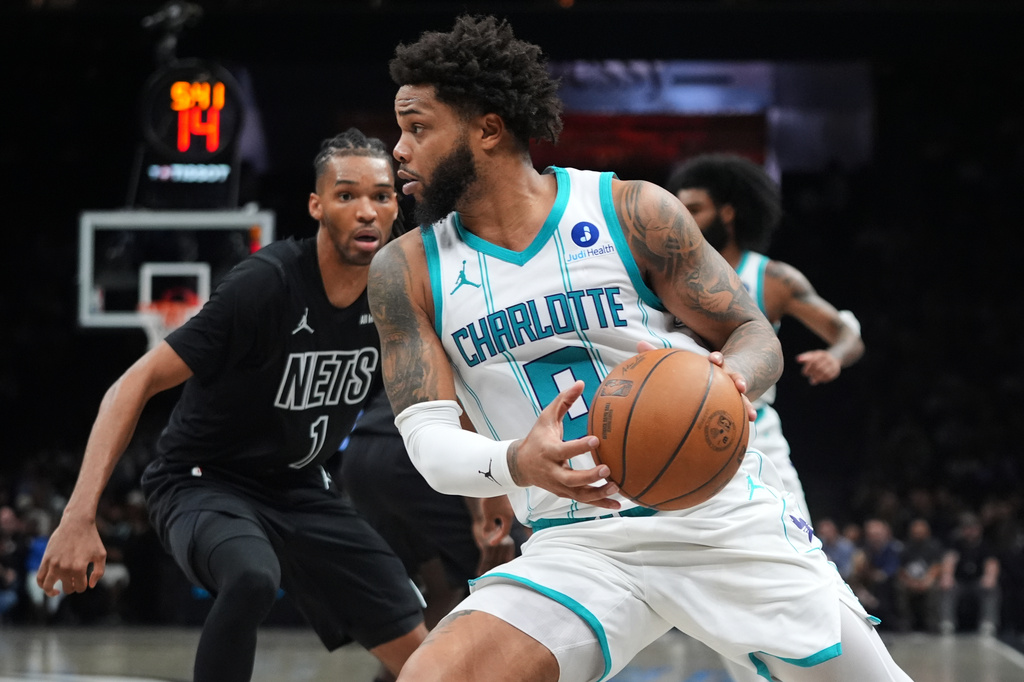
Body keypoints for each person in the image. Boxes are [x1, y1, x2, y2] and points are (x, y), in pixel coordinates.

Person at [369, 14, 913, 682]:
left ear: (488, 128)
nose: (398, 149)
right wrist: (517, 460)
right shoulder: (407, 270)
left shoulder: (630, 211)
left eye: (418, 127)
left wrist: (730, 380)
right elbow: (429, 446)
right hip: (578, 542)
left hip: (718, 520)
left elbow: (752, 334)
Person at [36, 129, 428, 682]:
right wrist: (79, 515)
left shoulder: (397, 295)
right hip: (201, 480)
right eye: (346, 195)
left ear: (396, 206)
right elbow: (133, 383)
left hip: (299, 487)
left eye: (381, 195)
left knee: (427, 657)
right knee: (251, 577)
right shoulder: (264, 285)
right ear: (316, 205)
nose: (366, 210)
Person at [665, 154, 865, 521]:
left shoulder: (771, 278)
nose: (684, 220)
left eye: (695, 209)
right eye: (680, 209)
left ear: (728, 213)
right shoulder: (663, 274)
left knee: (800, 544)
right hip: (678, 428)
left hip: (754, 429)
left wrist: (834, 356)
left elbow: (847, 333)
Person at [939, 512, 1001, 636]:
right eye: (967, 528)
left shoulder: (986, 545)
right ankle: (947, 622)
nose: (970, 531)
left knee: (992, 589)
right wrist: (947, 576)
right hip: (960, 582)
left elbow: (992, 563)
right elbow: (949, 560)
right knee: (947, 588)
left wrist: (990, 577)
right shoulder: (956, 543)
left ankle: (988, 622)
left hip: (978, 582)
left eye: (973, 528)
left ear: (979, 529)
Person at [896, 517, 945, 632]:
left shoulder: (934, 546)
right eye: (915, 533)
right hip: (910, 580)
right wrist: (911, 582)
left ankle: (933, 623)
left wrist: (927, 581)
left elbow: (937, 566)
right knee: (899, 586)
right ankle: (905, 622)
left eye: (920, 532)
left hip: (929, 580)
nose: (918, 535)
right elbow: (901, 569)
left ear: (927, 532)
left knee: (935, 588)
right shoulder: (905, 547)